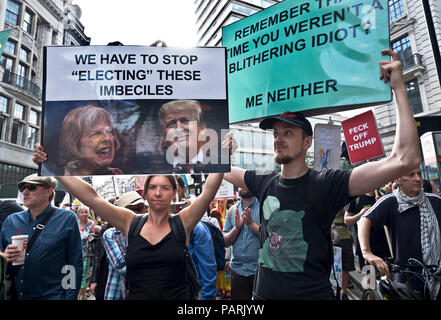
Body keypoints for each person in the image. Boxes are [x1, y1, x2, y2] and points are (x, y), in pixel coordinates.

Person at [223, 49, 422, 299]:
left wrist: (400, 89)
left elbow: (405, 159)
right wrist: (217, 141)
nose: (278, 139)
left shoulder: (327, 183)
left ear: (308, 142)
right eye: (275, 134)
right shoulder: (264, 181)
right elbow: (218, 167)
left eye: (288, 133)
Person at [33, 143, 226, 299]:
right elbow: (92, 197)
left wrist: (223, 155)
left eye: (165, 188)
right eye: (153, 187)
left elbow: (208, 192)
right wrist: (55, 167)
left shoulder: (183, 222)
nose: (158, 193)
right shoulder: (130, 222)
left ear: (174, 193)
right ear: (146, 193)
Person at [358, 166, 441, 300]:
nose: (418, 179)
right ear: (398, 179)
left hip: (436, 274)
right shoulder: (391, 201)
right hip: (406, 279)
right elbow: (363, 221)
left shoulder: (435, 201)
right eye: (411, 175)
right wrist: (367, 252)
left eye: (419, 174)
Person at [0, 174, 83, 299]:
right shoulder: (12, 220)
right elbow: (1, 259)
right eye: (22, 188)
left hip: (52, 295)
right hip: (17, 295)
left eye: (31, 187)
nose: (25, 192)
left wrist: (69, 296)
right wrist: (6, 257)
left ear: (48, 191)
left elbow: (73, 264)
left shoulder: (67, 218)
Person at [157, 99, 227, 173]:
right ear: (164, 136)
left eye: (186, 121)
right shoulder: (155, 167)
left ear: (202, 128)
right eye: (171, 124)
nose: (179, 129)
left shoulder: (223, 164)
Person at [103, 191, 146, 300]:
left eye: (141, 208)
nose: (139, 213)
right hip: (117, 293)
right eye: (133, 209)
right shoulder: (111, 234)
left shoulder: (150, 232)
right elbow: (121, 266)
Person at [58, 105, 122, 176]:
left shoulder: (117, 174)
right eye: (95, 134)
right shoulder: (59, 177)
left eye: (109, 131)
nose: (107, 138)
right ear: (75, 144)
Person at [223, 188, 260, 300]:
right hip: (237, 272)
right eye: (240, 184)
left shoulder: (263, 207)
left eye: (246, 182)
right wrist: (237, 228)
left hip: (259, 272)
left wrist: (251, 224)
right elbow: (225, 242)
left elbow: (272, 237)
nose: (242, 186)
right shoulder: (232, 211)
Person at [332, 207, 355, 300]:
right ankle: (336, 291)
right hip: (333, 237)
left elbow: (349, 217)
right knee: (334, 267)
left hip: (344, 237)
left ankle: (343, 292)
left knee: (345, 267)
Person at [77, 206, 95, 300]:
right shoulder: (75, 223)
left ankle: (78, 296)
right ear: (78, 214)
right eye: (82, 212)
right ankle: (83, 295)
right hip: (75, 253)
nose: (84, 214)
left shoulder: (92, 224)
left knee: (83, 275)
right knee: (75, 274)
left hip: (87, 254)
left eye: (86, 212)